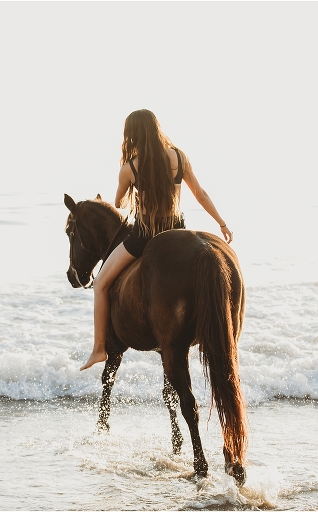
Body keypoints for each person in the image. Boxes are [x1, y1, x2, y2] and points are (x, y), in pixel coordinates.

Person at [80, 109, 234, 371]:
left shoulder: (129, 168)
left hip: (144, 236)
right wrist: (221, 222)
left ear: (131, 135)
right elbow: (201, 193)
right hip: (177, 231)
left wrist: (131, 193)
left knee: (101, 284)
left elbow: (118, 203)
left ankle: (98, 350)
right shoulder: (179, 157)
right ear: (156, 129)